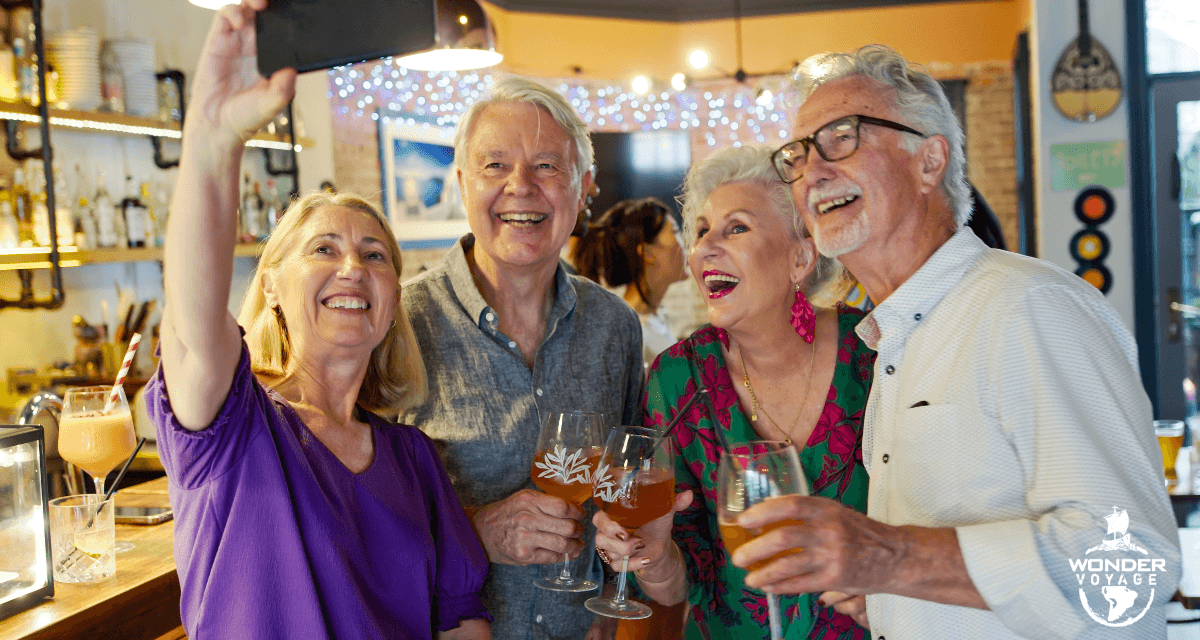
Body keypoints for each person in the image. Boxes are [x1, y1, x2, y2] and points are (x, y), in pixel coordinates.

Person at [731, 44, 1180, 638]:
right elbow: (960, 574)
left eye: (843, 137)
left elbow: (1135, 564)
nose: (813, 170)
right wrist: (895, 597)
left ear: (929, 160)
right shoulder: (892, 338)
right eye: (797, 154)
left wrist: (887, 558)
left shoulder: (1029, 308)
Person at [144, 3, 490, 638]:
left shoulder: (411, 457)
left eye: (375, 255)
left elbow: (461, 620)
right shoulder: (235, 429)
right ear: (272, 285)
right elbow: (192, 334)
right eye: (323, 250)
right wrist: (212, 139)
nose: (353, 268)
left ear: (394, 299)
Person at [591, 145, 875, 639]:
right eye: (701, 232)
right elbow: (681, 583)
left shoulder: (874, 354)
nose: (704, 250)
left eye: (737, 228)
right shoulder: (680, 377)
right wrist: (656, 557)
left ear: (800, 256)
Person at [399, 76, 645, 639]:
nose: (521, 188)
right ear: (462, 184)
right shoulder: (400, 325)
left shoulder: (614, 327)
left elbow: (623, 489)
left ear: (583, 189)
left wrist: (619, 571)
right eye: (495, 166)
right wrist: (474, 532)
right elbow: (348, 520)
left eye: (546, 167)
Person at [570, 197, 688, 367]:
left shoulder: (655, 316)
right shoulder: (628, 333)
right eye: (675, 231)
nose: (685, 244)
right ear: (648, 253)